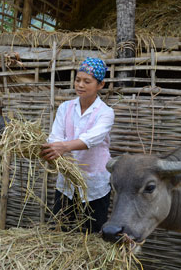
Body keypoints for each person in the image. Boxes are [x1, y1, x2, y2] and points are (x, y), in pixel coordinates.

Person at [40, 57, 114, 233]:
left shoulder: (105, 113)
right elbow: (55, 136)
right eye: (78, 80)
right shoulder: (65, 108)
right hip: (66, 183)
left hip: (94, 183)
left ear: (100, 85)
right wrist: (52, 150)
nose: (80, 85)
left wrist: (64, 147)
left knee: (92, 233)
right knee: (59, 230)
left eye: (87, 81)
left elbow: (91, 139)